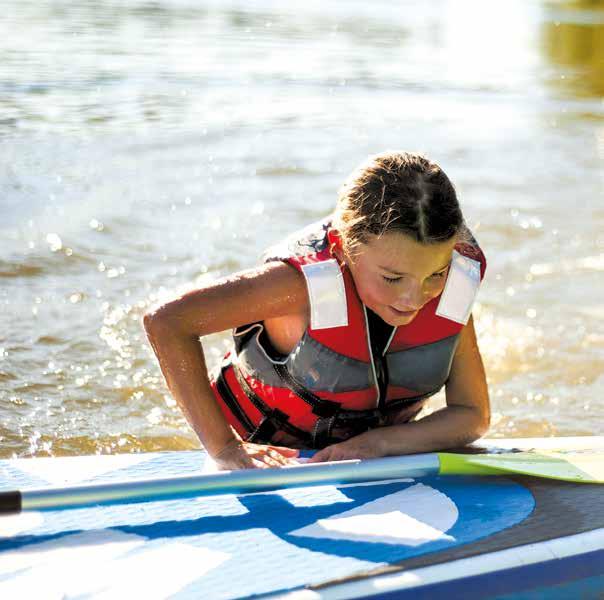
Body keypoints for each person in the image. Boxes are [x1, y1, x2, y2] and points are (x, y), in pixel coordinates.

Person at [143, 151, 490, 471]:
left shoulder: (453, 281)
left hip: (373, 450)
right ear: (342, 247)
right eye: (393, 278)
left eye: (435, 275)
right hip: (262, 450)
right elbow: (168, 322)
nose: (415, 297)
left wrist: (380, 443)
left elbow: (471, 415)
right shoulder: (300, 287)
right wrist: (223, 448)